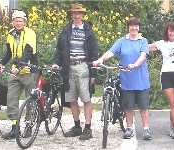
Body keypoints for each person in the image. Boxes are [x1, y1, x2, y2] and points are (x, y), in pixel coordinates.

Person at [92, 17, 152, 140]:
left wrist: (135, 65)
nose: (134, 28)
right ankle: (129, 128)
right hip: (127, 80)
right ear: (128, 27)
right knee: (128, 106)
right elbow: (111, 52)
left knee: (144, 106)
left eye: (136, 26)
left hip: (141, 79)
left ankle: (146, 129)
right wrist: (100, 60)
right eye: (131, 26)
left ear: (139, 28)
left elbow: (143, 55)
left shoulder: (143, 41)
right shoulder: (122, 41)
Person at [52, 3, 98, 140]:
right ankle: (77, 126)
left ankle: (88, 128)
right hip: (68, 67)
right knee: (71, 98)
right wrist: (56, 63)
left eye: (79, 13)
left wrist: (93, 73)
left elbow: (94, 53)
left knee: (86, 98)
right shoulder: (66, 30)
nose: (77, 16)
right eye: (74, 13)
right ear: (71, 15)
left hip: (83, 67)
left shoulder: (88, 31)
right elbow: (59, 50)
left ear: (83, 15)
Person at [0, 10, 38, 139]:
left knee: (30, 100)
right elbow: (9, 53)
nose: (18, 23)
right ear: (13, 22)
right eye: (16, 21)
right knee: (11, 100)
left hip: (29, 71)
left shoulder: (30, 33)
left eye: (21, 21)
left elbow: (28, 52)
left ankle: (29, 126)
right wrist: (2, 63)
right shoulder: (11, 34)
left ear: (25, 22)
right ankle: (15, 128)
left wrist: (19, 67)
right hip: (15, 72)